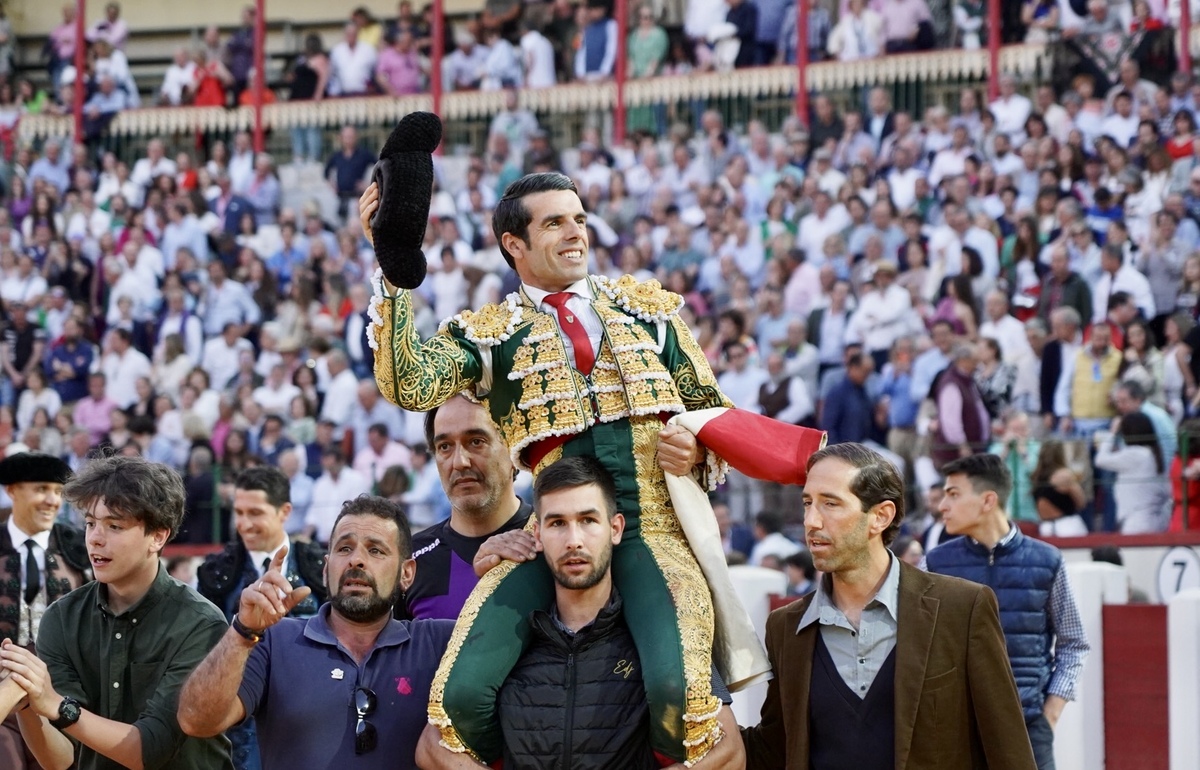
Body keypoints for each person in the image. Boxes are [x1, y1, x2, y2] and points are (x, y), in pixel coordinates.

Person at [362, 133, 738, 763]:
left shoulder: (648, 310)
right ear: (515, 244)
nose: (576, 234)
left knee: (680, 693)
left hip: (655, 534)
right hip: (548, 537)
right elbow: (410, 382)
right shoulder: (494, 334)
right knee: (456, 698)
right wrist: (395, 270)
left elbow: (711, 407)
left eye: (580, 220)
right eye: (556, 223)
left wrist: (695, 449)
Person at [415, 456, 744, 769]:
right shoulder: (508, 641)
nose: (574, 540)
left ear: (615, 529)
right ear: (538, 534)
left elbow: (728, 753)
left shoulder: (659, 637)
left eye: (588, 520)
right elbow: (431, 747)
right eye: (558, 523)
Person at [740, 442, 1037, 768]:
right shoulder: (786, 628)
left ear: (881, 516)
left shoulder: (961, 608)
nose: (811, 521)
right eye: (807, 503)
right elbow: (774, 749)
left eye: (830, 504)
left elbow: (1008, 750)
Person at [177, 496, 454, 768]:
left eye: (376, 550)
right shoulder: (272, 639)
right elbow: (196, 720)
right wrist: (242, 632)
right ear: (325, 569)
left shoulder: (438, 644)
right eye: (344, 549)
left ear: (406, 573)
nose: (356, 560)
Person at [0, 455, 232, 770]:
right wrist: (29, 700)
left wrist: (57, 705)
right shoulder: (62, 618)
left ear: (158, 536)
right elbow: (62, 760)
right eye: (90, 523)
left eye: (114, 526)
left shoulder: (200, 624)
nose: (95, 538)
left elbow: (150, 750)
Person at [928, 454, 1091, 770]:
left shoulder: (1047, 560)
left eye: (953, 494)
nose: (942, 506)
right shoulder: (935, 564)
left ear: (988, 500)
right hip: (957, 730)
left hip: (1028, 727)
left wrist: (1050, 715)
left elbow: (1074, 644)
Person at [195, 467, 328, 770]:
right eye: (239, 512)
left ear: (285, 511)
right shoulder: (215, 573)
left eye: (255, 512)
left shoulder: (320, 566)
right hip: (238, 723)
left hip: (313, 712)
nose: (244, 524)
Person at [403, 395, 530, 620]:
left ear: (513, 448)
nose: (459, 462)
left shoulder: (550, 541)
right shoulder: (411, 560)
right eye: (445, 447)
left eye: (476, 441)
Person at [0, 451, 89, 770]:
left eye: (57, 491)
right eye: (41, 489)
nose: (52, 500)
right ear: (12, 490)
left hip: (61, 692)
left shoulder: (80, 547)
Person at [1094, 412, 1170, 533]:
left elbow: (1100, 460)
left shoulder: (1135, 454)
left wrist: (1112, 432)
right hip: (1153, 520)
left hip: (1137, 522)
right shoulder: (1151, 453)